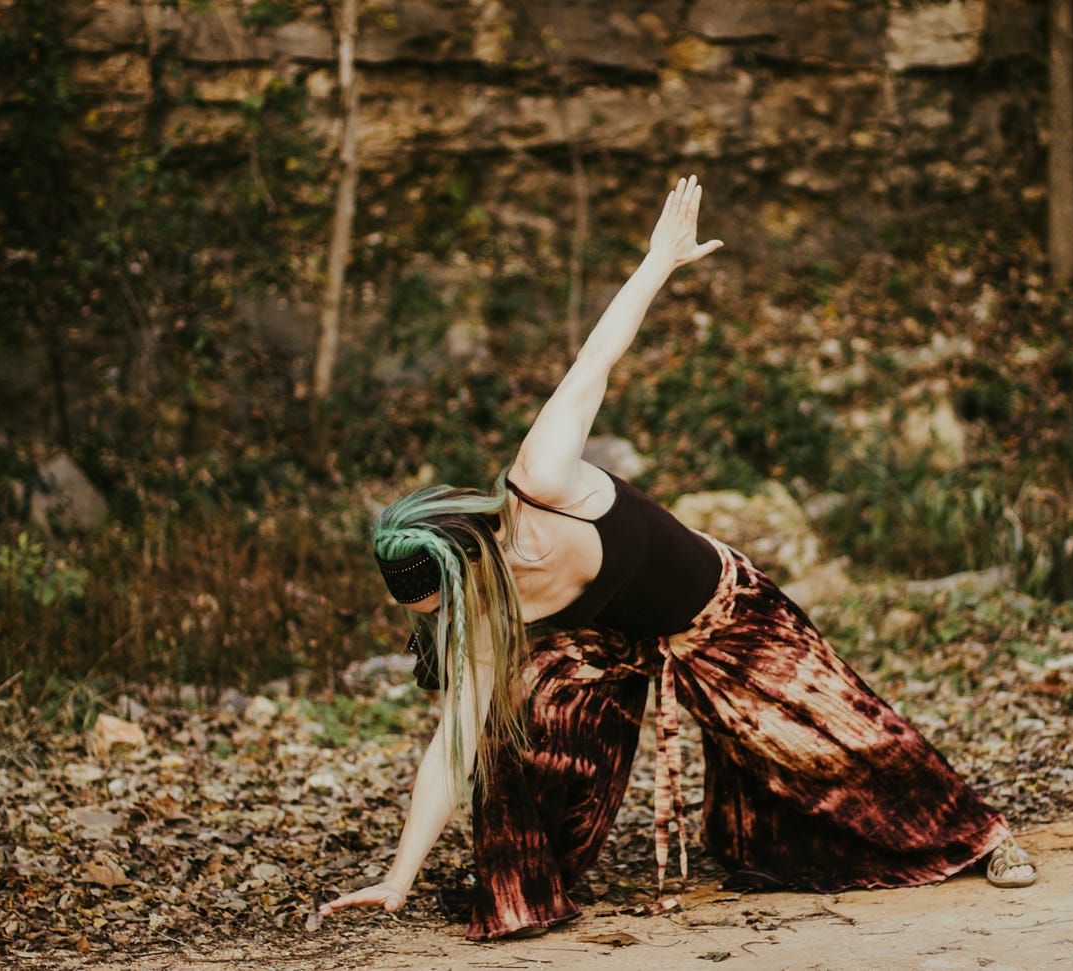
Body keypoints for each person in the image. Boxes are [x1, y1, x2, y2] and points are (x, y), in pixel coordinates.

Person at [317, 176, 1035, 940]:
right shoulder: (493, 619)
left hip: (720, 611)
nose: (452, 621)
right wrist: (397, 878)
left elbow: (597, 357)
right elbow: (449, 742)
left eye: (447, 604)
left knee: (835, 735)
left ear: (469, 559)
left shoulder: (543, 479)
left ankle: (982, 834)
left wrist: (660, 260)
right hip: (608, 647)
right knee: (508, 718)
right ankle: (531, 880)